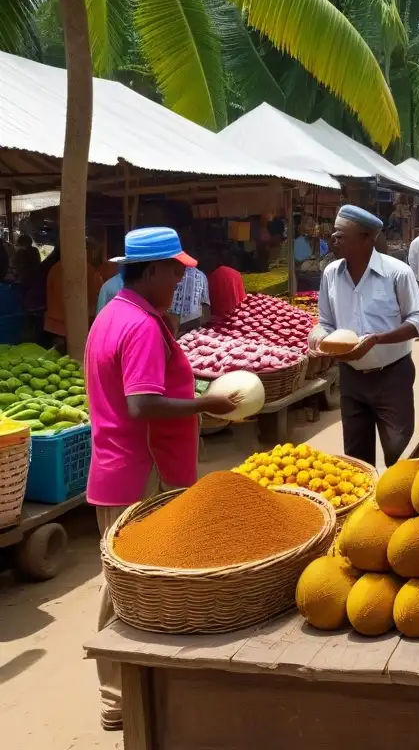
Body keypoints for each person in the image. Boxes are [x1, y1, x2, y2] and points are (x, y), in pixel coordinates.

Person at [86, 227, 240, 731]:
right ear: (149, 270)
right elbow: (142, 403)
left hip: (122, 465)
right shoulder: (141, 326)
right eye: (175, 271)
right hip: (140, 470)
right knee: (127, 586)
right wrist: (207, 402)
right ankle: (117, 697)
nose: (180, 280)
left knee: (127, 581)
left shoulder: (114, 313)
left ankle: (134, 687)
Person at [309, 205, 419, 467]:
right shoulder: (331, 274)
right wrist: (319, 339)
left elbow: (418, 321)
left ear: (366, 239)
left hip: (392, 377)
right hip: (351, 379)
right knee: (356, 459)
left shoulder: (397, 273)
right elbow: (325, 322)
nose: (333, 240)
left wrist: (377, 339)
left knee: (399, 455)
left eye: (341, 235)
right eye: (334, 234)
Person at [43, 245, 104, 345]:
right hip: (79, 327)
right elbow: (97, 298)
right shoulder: (91, 272)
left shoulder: (54, 269)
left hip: (54, 327)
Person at [168, 265, 211, 335]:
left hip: (173, 328)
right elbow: (206, 315)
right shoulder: (202, 276)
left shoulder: (166, 272)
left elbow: (206, 313)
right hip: (187, 332)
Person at [207, 246, 246, 316]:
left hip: (217, 318)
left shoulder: (211, 277)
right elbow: (243, 299)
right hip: (236, 317)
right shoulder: (236, 274)